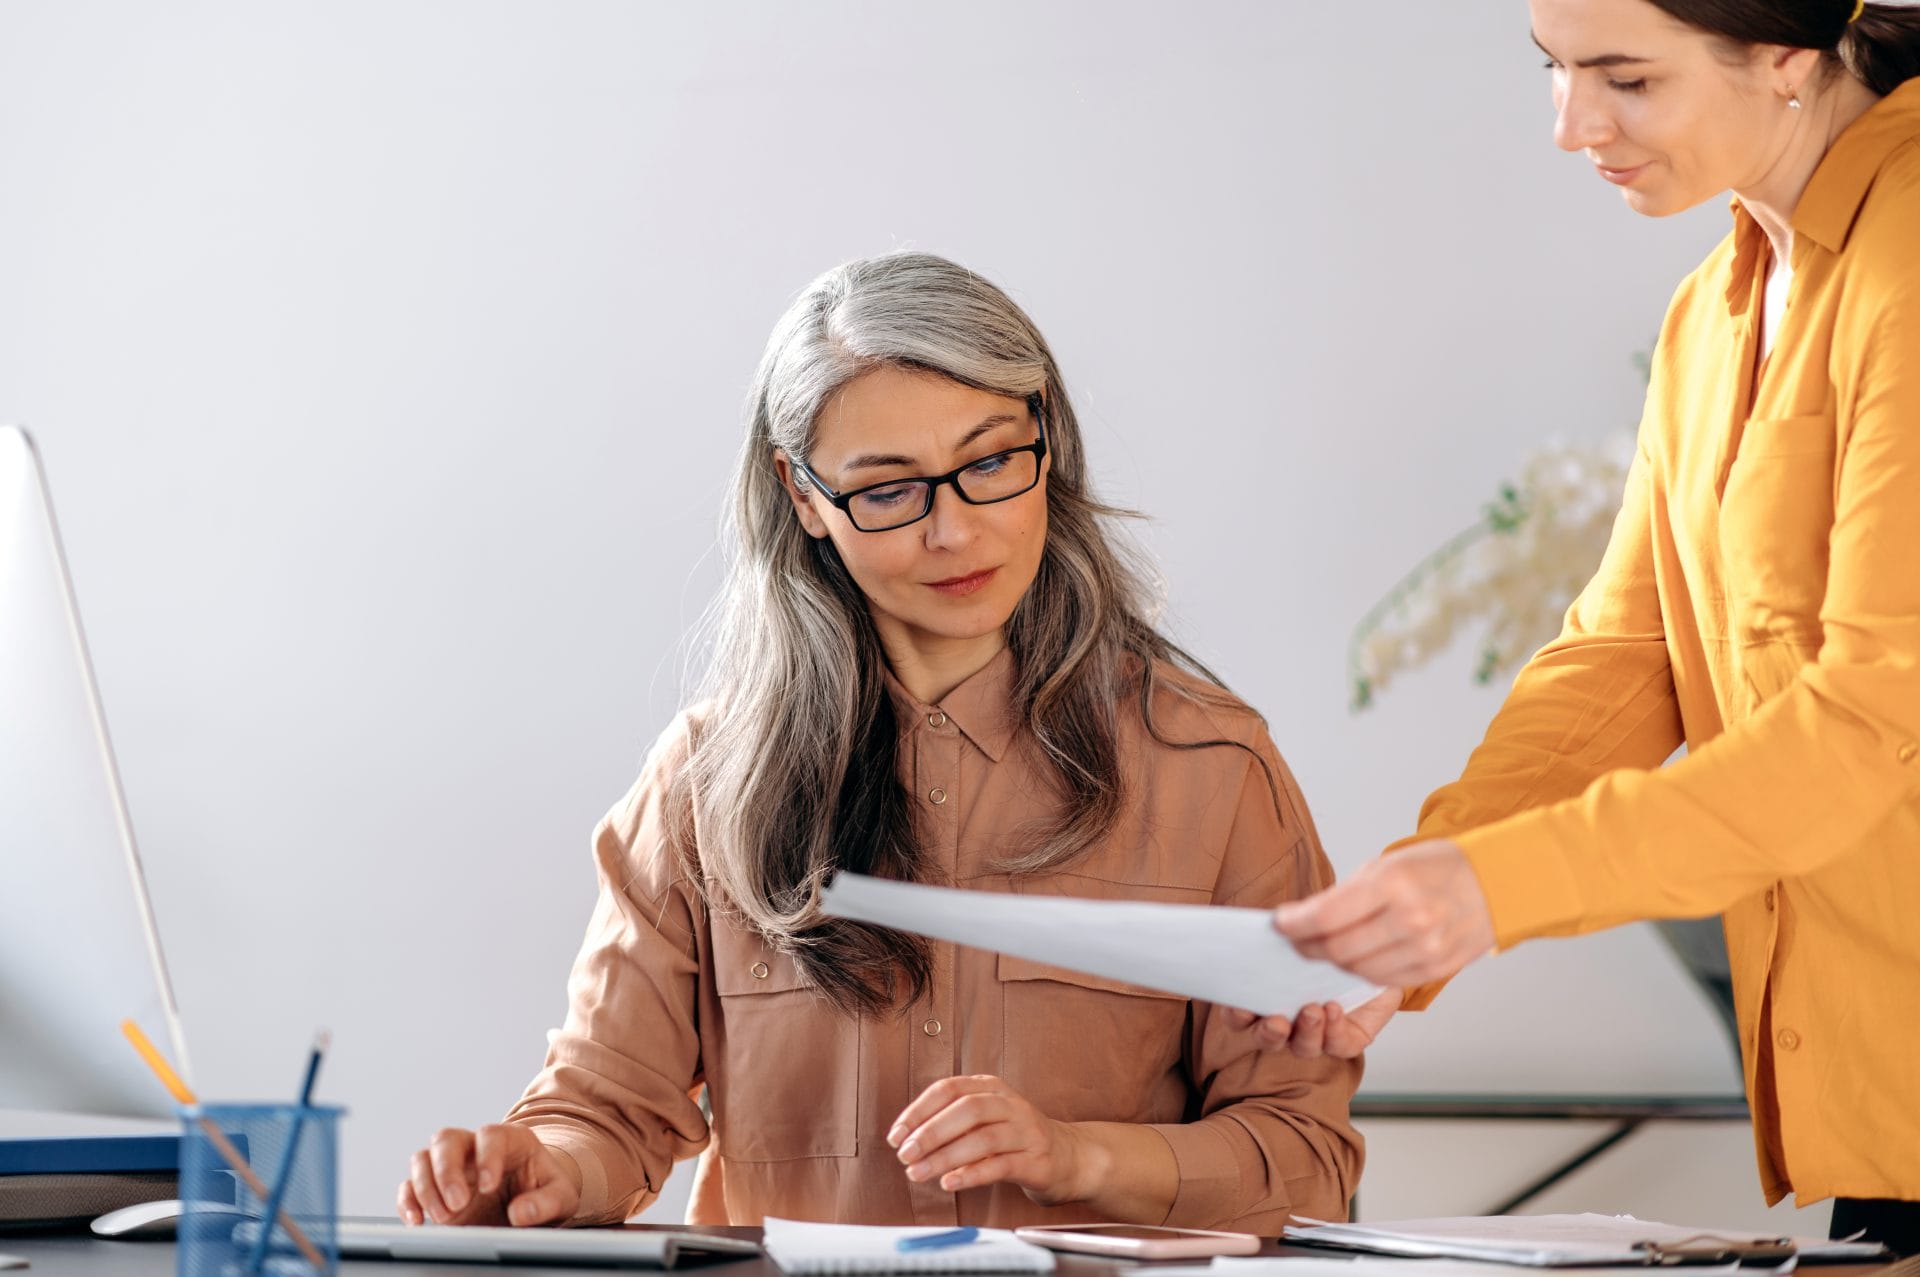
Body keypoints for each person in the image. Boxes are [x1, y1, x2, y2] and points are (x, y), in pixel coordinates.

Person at [396, 252, 1363, 1231]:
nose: (955, 531)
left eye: (990, 462)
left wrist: (1078, 1153)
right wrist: (540, 1166)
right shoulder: (705, 779)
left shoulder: (1211, 768)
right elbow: (603, 1110)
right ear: (805, 495)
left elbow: (1307, 1157)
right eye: (889, 489)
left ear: (1046, 440)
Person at [1240, 0, 1920, 1256]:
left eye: (1626, 79)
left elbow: (1874, 720)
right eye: (1554, 72)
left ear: (1789, 53)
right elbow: (1628, 657)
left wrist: (1497, 888)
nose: (1572, 125)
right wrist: (1412, 908)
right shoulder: (1715, 303)